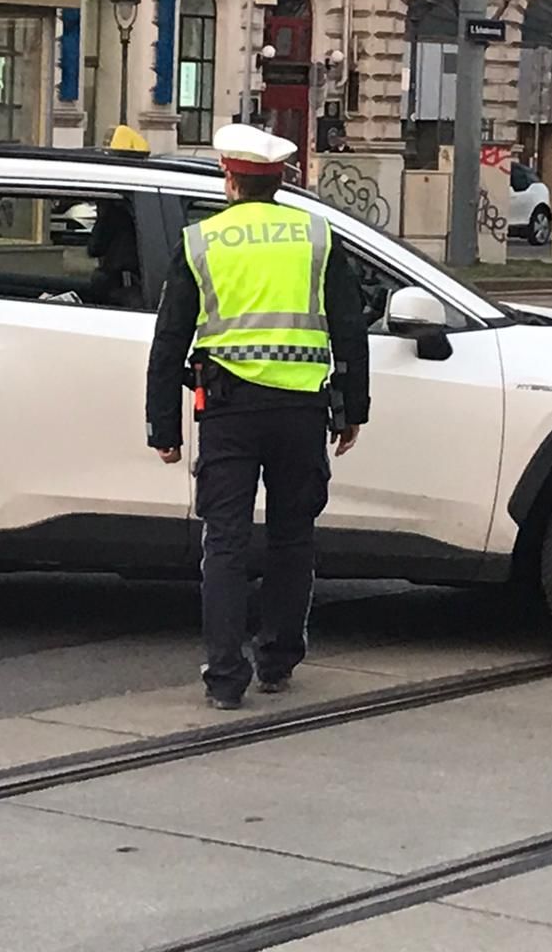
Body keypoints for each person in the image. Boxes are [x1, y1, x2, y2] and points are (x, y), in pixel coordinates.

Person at [145, 123, 371, 710]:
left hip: (227, 410)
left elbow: (169, 340)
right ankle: (278, 660)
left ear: (230, 176)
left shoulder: (203, 241)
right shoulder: (316, 236)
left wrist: (163, 427)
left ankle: (224, 677)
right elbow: (349, 327)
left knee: (224, 542)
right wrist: (353, 411)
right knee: (293, 538)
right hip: (302, 411)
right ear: (279, 180)